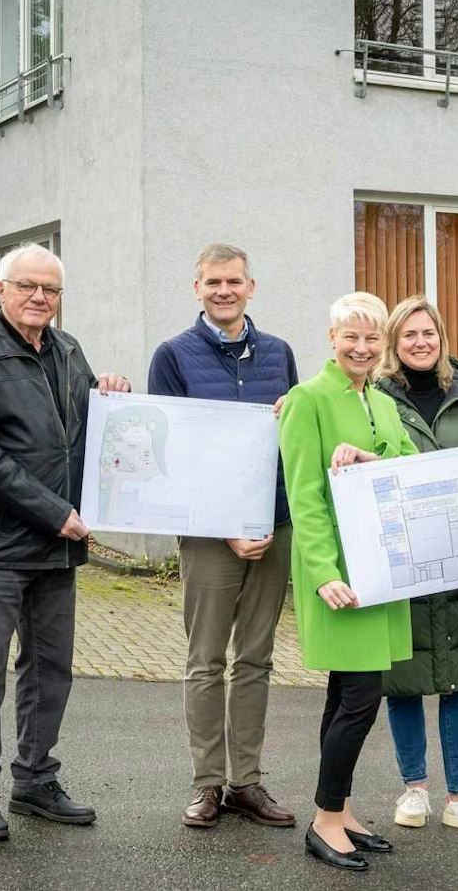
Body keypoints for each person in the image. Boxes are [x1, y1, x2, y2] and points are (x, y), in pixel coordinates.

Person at [0, 243, 132, 841]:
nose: (39, 298)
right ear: (1, 290)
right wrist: (55, 512)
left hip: (55, 547)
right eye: (27, 286)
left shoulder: (69, 352)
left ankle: (34, 780)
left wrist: (108, 393)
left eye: (49, 289)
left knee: (51, 670)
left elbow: (82, 429)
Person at [146, 243, 301, 830]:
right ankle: (207, 784)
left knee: (257, 659)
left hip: (273, 524)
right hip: (211, 535)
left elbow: (285, 440)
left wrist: (268, 520)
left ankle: (247, 783)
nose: (224, 291)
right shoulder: (174, 355)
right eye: (213, 282)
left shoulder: (279, 352)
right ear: (197, 288)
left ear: (251, 286)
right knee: (206, 659)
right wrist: (225, 526)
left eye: (233, 281)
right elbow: (173, 453)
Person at [279, 291, 419, 873]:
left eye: (371, 339)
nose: (361, 348)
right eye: (350, 337)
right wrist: (322, 574)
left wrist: (369, 455)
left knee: (346, 697)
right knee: (359, 700)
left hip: (381, 570)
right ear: (331, 338)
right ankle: (324, 820)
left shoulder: (381, 400)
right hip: (343, 575)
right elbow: (303, 495)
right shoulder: (307, 399)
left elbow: (409, 462)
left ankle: (341, 809)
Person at [372, 295, 458, 839]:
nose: (420, 343)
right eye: (408, 335)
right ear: (394, 343)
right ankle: (414, 788)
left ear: (441, 338)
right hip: (402, 559)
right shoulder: (376, 399)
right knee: (403, 678)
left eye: (428, 333)